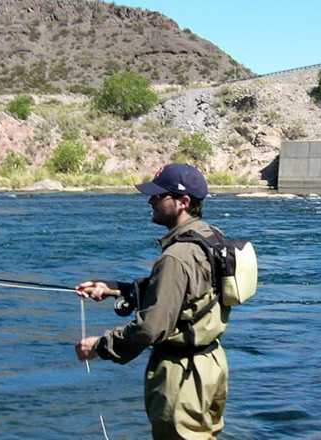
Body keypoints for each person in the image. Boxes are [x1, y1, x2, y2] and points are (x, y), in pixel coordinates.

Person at [74, 163, 229, 440]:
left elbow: (150, 328)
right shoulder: (210, 237)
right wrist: (115, 289)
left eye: (159, 196)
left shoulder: (175, 257)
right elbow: (189, 296)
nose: (151, 200)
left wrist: (100, 346)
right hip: (211, 365)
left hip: (182, 376)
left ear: (183, 202)